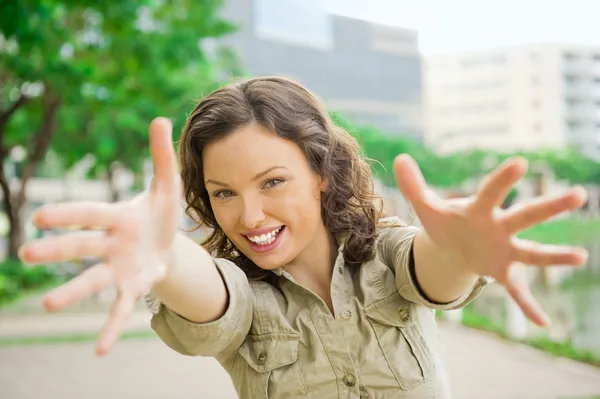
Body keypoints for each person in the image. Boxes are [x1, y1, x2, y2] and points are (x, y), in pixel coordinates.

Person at [18, 76, 588, 398]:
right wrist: (164, 255)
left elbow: (429, 271)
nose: (250, 215)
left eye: (273, 182)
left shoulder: (383, 254)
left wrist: (463, 248)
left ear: (321, 172)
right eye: (223, 193)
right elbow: (214, 298)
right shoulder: (237, 290)